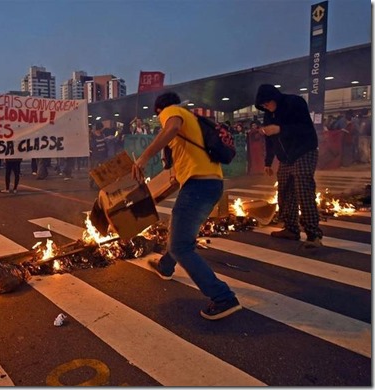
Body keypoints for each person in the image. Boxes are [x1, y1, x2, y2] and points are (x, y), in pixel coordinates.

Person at [131, 92, 241, 321]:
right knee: (180, 230)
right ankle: (165, 266)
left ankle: (223, 297)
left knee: (181, 245)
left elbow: (170, 128)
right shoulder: (192, 122)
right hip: (211, 184)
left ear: (159, 110)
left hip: (198, 187)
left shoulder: (172, 112)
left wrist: (143, 158)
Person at [254, 84, 323, 248]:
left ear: (274, 98)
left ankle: (313, 234)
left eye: (267, 104)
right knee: (285, 191)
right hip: (285, 158)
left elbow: (304, 128)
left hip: (304, 151)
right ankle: (291, 229)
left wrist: (280, 128)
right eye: (263, 106)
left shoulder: (295, 103)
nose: (266, 108)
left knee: (303, 189)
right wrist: (268, 162)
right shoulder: (268, 115)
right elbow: (269, 139)